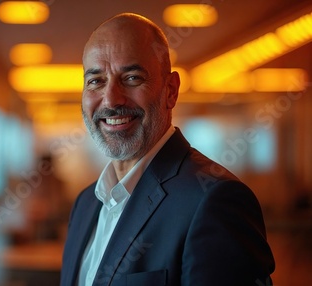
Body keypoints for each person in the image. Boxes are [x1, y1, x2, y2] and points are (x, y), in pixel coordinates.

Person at [61, 13, 275, 286]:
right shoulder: (85, 203)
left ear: (170, 91)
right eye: (96, 81)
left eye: (132, 77)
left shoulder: (214, 200)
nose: (111, 98)